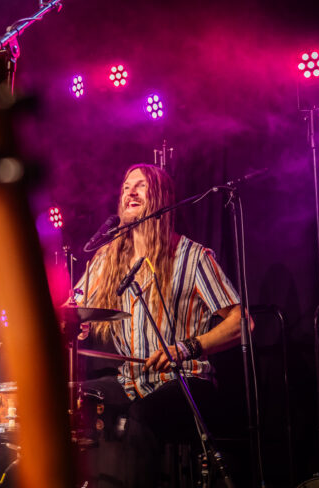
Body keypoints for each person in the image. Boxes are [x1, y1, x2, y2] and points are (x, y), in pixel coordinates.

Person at [74, 163, 247, 487]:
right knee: (70, 402)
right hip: (131, 381)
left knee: (143, 416)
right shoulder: (105, 259)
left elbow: (242, 322)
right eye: (126, 187)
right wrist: (75, 322)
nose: (130, 192)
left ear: (162, 198)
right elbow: (74, 307)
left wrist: (188, 347)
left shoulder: (193, 256)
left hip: (186, 382)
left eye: (140, 186)